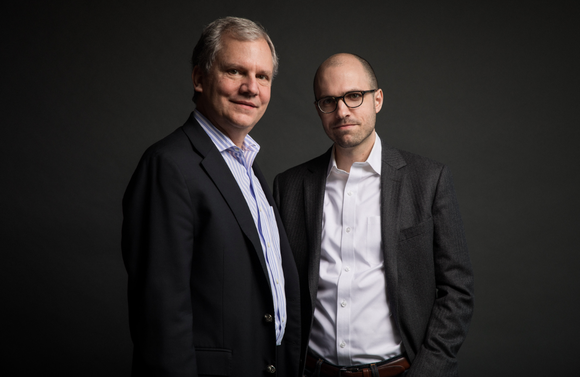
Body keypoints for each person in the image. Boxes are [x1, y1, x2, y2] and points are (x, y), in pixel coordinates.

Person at [273, 53, 474, 377]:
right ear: (318, 109)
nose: (342, 111)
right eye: (329, 100)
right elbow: (278, 290)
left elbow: (457, 289)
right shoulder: (290, 186)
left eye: (354, 96)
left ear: (377, 99)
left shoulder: (427, 180)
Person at [122, 17, 300, 376]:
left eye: (262, 76)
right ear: (199, 78)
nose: (252, 88)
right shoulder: (169, 166)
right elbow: (160, 316)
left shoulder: (248, 167)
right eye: (235, 71)